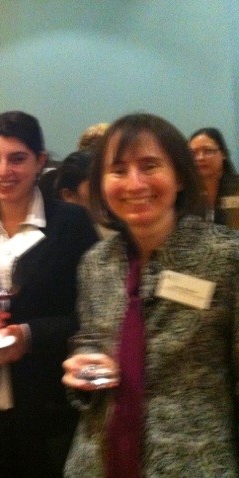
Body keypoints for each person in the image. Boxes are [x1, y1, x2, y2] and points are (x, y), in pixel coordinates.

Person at [63, 113, 239, 477]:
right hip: (96, 459)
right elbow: (91, 339)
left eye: (149, 166)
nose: (134, 183)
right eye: (118, 170)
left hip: (191, 461)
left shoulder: (226, 259)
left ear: (179, 176)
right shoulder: (95, 264)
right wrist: (82, 363)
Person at [0, 111, 99, 477]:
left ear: (40, 161)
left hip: (47, 399)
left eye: (17, 158)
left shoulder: (72, 224)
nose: (4, 171)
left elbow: (92, 315)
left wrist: (29, 335)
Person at [188, 127, 239, 226]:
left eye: (208, 151)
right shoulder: (183, 192)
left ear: (223, 154)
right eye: (193, 153)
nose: (200, 157)